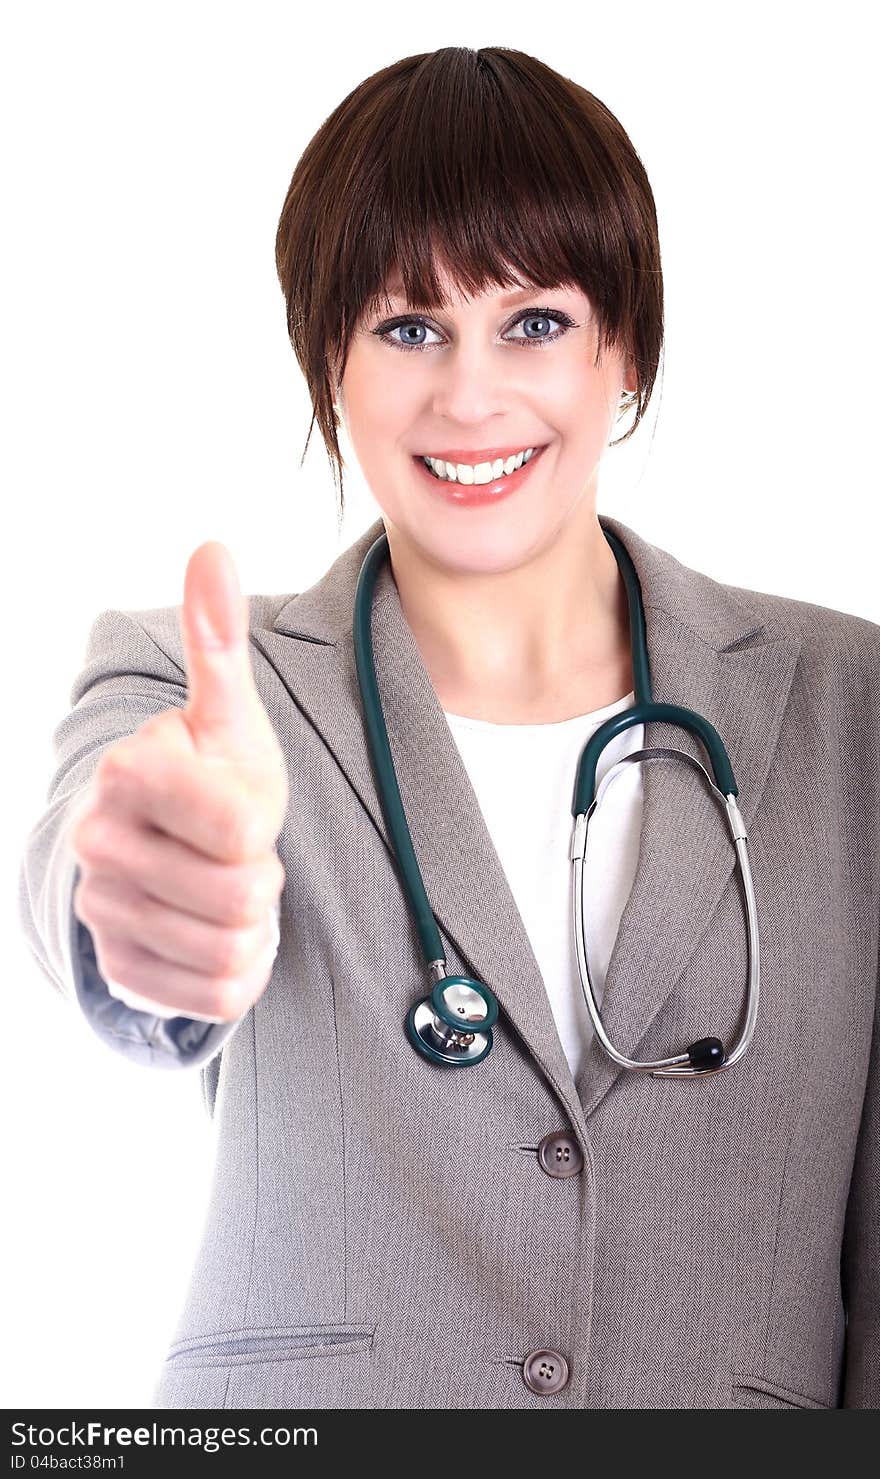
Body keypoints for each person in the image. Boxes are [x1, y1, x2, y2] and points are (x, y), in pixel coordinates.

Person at [18, 45, 879, 1410]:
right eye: (406, 327)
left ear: (627, 351)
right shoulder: (200, 682)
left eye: (532, 322)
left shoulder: (853, 710)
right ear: (331, 367)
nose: (469, 396)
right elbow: (102, 883)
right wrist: (143, 899)